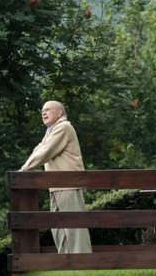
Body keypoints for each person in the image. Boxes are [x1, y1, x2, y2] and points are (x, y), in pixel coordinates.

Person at [18, 100, 92, 254]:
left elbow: (46, 152)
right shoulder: (51, 131)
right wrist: (26, 167)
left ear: (59, 113)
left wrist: (25, 169)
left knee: (74, 228)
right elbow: (39, 149)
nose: (43, 113)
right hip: (57, 184)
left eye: (48, 110)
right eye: (42, 111)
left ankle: (83, 264)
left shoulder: (63, 127)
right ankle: (66, 264)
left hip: (69, 184)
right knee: (58, 228)